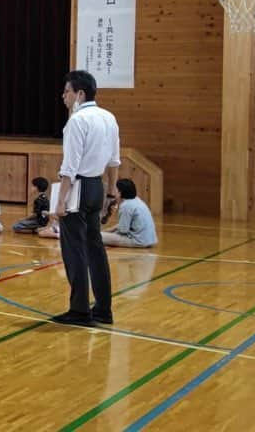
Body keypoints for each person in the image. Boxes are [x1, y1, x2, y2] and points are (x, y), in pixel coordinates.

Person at [52, 70, 120, 326]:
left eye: (67, 91)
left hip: (78, 187)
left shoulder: (77, 121)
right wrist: (111, 192)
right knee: (95, 250)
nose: (63, 96)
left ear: (80, 94)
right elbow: (114, 160)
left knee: (74, 250)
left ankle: (80, 310)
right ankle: (103, 309)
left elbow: (70, 165)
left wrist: (61, 200)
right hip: (97, 186)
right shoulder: (109, 118)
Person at [100, 179, 157, 248]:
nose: (114, 191)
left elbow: (123, 230)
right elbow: (123, 226)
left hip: (138, 241)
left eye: (116, 189)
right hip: (149, 240)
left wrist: (108, 234)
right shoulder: (137, 200)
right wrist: (108, 230)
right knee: (104, 234)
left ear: (120, 192)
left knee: (98, 236)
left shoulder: (126, 206)